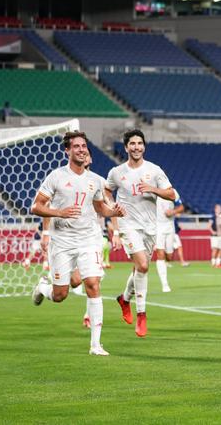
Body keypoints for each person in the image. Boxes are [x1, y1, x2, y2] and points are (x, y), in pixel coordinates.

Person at [30, 131, 125, 356]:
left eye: (84, 146)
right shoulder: (56, 176)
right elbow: (36, 206)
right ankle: (43, 288)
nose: (81, 149)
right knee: (60, 295)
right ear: (68, 151)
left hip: (89, 239)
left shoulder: (95, 180)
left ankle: (96, 345)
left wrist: (114, 211)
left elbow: (101, 208)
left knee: (92, 283)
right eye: (77, 146)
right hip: (62, 241)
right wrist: (58, 213)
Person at [106, 129, 175, 338]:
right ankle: (142, 314)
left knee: (139, 268)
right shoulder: (117, 172)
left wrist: (153, 190)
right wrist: (113, 210)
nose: (136, 147)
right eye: (132, 144)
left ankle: (124, 299)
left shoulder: (154, 170)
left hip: (150, 227)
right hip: (129, 226)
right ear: (126, 147)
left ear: (144, 146)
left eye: (139, 143)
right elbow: (107, 190)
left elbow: (171, 194)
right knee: (143, 265)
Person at [155, 191, 185, 292]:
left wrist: (173, 212)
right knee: (160, 254)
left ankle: (167, 261)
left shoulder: (172, 192)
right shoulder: (153, 192)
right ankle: (165, 284)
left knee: (169, 255)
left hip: (170, 227)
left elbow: (181, 207)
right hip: (157, 227)